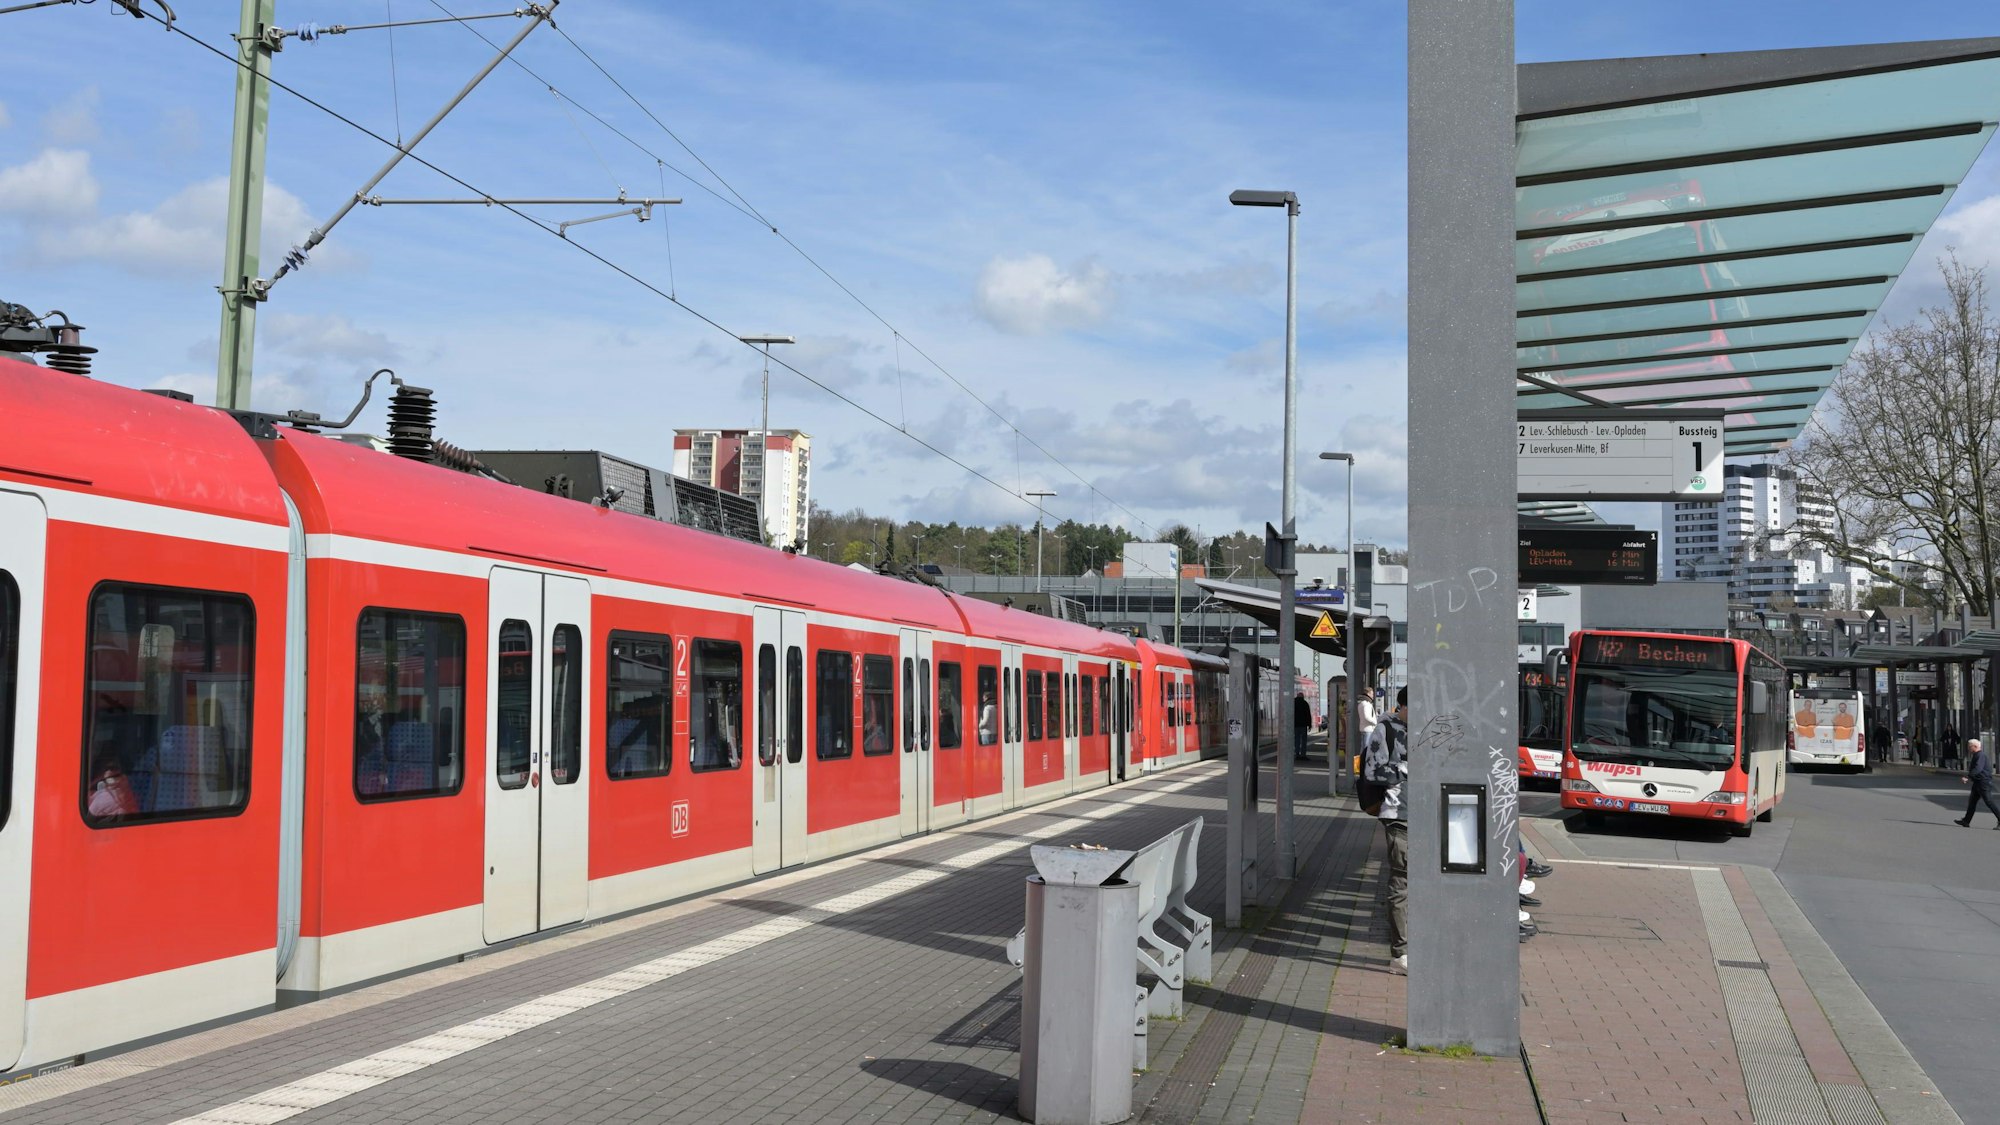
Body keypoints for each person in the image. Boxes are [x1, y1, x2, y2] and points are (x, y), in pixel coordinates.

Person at [1360, 686, 1409, 974]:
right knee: (1401, 881)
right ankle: (1400, 953)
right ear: (1402, 706)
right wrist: (1408, 769)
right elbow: (1372, 772)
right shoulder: (1385, 730)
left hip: (1430, 815)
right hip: (1398, 816)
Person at [1956, 736, 2000, 828]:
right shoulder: (1977, 755)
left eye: (1969, 746)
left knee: (1989, 802)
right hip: (1978, 782)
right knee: (1972, 802)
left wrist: (1968, 777)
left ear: (1975, 746)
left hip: (1983, 782)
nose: (1968, 748)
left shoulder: (1980, 755)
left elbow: (1978, 768)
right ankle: (1966, 821)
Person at [1293, 693, 1312, 761]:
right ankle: (1303, 755)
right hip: (1303, 725)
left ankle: (1297, 754)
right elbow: (1308, 714)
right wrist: (1309, 725)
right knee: (1304, 740)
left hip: (1295, 725)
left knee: (1296, 739)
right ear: (1303, 697)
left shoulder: (1292, 703)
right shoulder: (1305, 703)